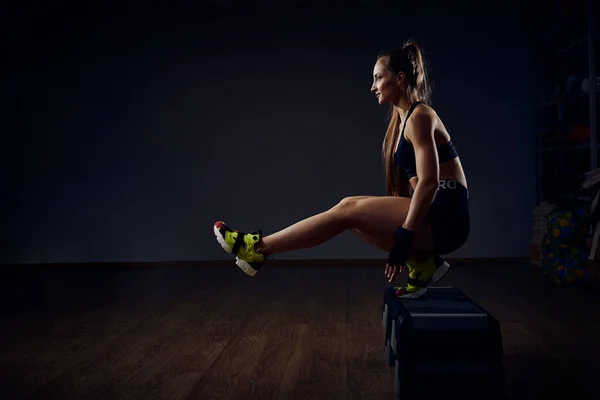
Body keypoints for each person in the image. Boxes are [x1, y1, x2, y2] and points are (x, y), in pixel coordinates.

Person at [213, 40, 470, 299]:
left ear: (400, 78)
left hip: (447, 217)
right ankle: (423, 263)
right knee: (354, 220)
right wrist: (404, 241)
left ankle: (257, 248)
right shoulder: (401, 122)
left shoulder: (421, 116)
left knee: (347, 208)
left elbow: (428, 182)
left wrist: (404, 236)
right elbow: (405, 192)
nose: (373, 87)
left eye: (379, 78)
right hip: (432, 214)